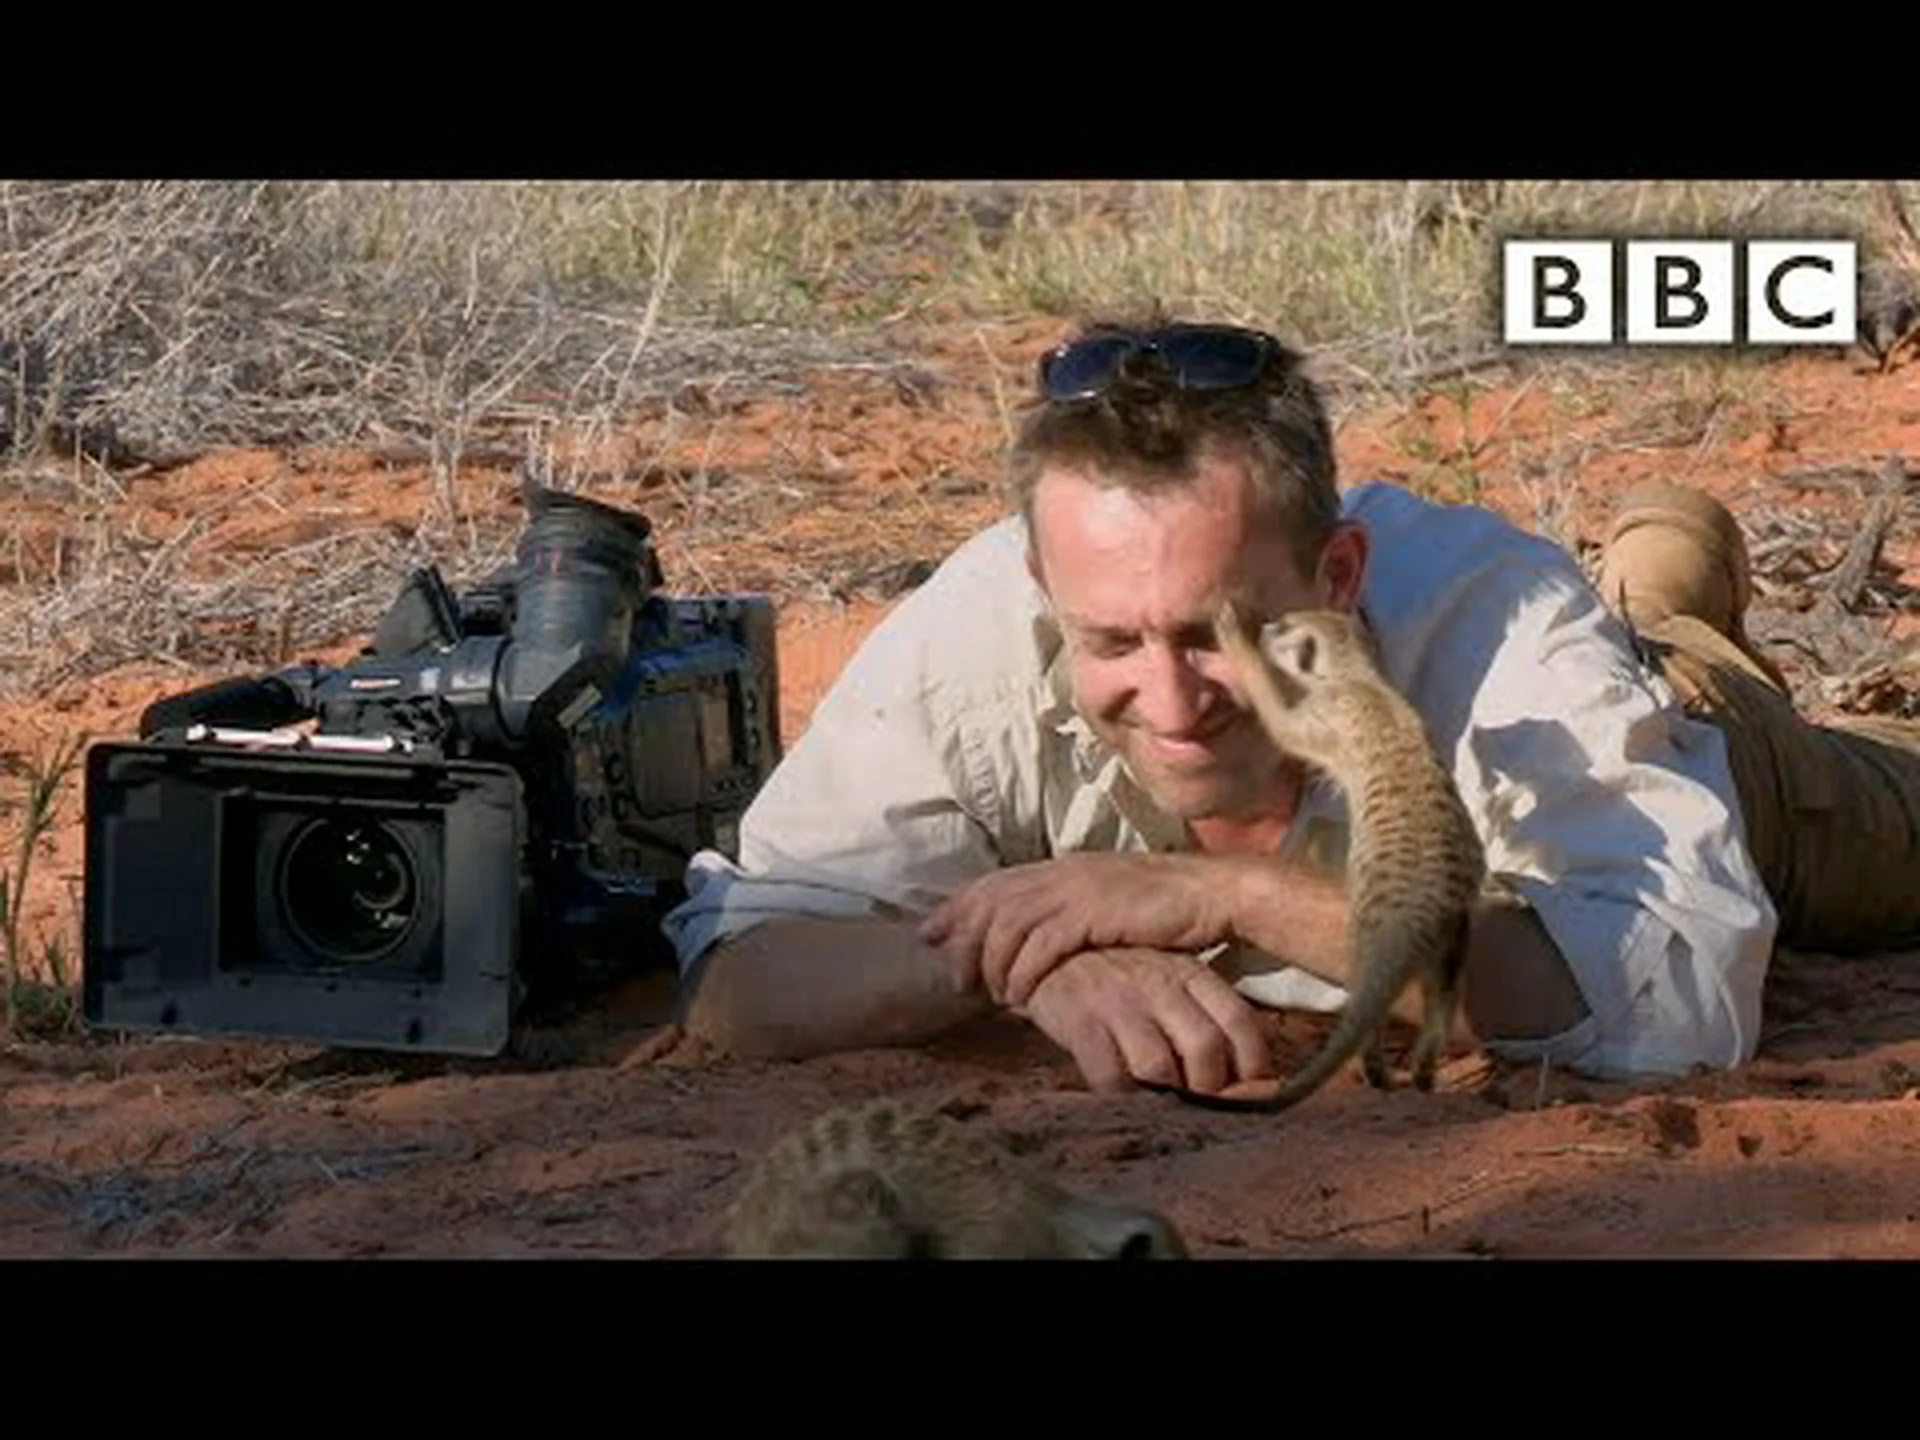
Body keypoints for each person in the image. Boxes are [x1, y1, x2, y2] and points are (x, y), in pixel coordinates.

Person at [658, 318, 1920, 1096]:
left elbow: (1683, 998)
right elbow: (743, 971)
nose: (1169, 699)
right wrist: (1017, 970)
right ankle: (1662, 557)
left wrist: (1222, 896)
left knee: (1768, 740)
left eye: (1224, 634)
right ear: (1045, 584)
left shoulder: (1503, 615)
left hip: (1730, 774)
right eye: (1110, 639)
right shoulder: (980, 619)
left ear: (1337, 578)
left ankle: (1676, 610)